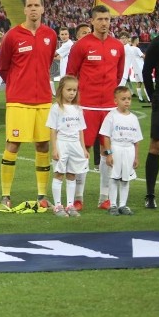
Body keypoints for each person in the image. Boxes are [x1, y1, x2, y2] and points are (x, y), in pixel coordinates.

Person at [0, 0, 57, 209]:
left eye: (37, 5)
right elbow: (3, 67)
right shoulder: (12, 36)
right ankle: (5, 195)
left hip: (43, 99)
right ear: (24, 10)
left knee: (43, 145)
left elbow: (47, 62)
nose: (33, 9)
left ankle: (42, 195)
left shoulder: (50, 35)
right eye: (29, 5)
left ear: (42, 9)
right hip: (18, 100)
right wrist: (17, 84)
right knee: (13, 144)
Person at [66, 5, 124, 210]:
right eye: (99, 19)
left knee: (107, 150)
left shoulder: (118, 46)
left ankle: (104, 198)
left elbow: (118, 75)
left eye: (107, 19)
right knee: (83, 149)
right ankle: (78, 197)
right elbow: (71, 74)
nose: (104, 23)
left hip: (109, 108)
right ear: (92, 21)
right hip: (86, 107)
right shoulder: (81, 45)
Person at [47, 75, 88, 218]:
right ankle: (58, 206)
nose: (72, 93)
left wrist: (83, 148)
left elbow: (81, 130)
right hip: (62, 143)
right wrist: (54, 148)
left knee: (72, 174)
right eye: (69, 90)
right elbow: (53, 129)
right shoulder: (56, 108)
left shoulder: (78, 109)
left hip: (75, 144)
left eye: (74, 90)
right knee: (59, 174)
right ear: (61, 90)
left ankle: (70, 205)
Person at [99, 86, 143, 215]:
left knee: (125, 179)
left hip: (129, 149)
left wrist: (136, 157)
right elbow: (106, 136)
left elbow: (136, 140)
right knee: (114, 177)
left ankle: (123, 205)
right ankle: (112, 205)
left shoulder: (134, 118)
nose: (127, 101)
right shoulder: (111, 116)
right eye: (123, 99)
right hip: (116, 148)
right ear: (115, 101)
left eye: (129, 98)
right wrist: (109, 154)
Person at [142, 31, 159, 208]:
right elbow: (146, 71)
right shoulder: (158, 42)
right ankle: (150, 195)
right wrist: (153, 97)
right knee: (156, 145)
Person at [129, 36, 149, 103]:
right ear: (135, 40)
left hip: (135, 68)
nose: (138, 41)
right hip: (140, 67)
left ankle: (140, 98)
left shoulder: (130, 48)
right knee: (145, 83)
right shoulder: (136, 49)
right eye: (138, 40)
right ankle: (150, 99)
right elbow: (143, 56)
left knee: (139, 83)